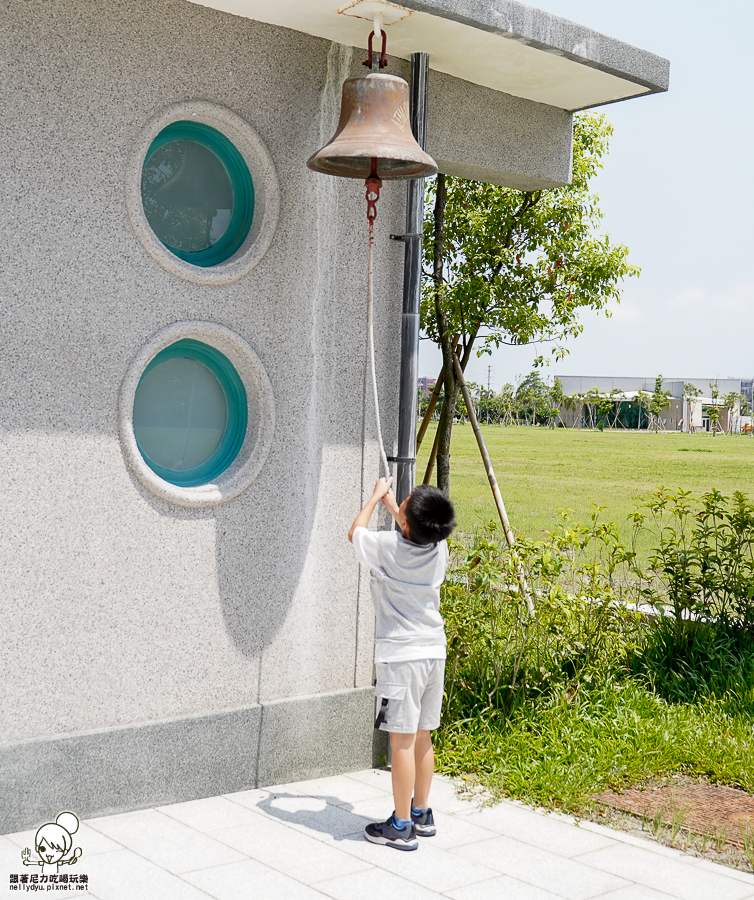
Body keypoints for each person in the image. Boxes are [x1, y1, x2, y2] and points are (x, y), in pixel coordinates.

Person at [349, 477, 456, 851]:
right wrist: (395, 508)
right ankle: (422, 813)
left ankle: (400, 825)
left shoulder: (386, 547)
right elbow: (414, 532)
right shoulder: (439, 549)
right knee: (423, 735)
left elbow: (356, 532)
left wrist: (375, 497)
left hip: (400, 659)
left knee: (401, 744)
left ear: (406, 525)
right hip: (433, 653)